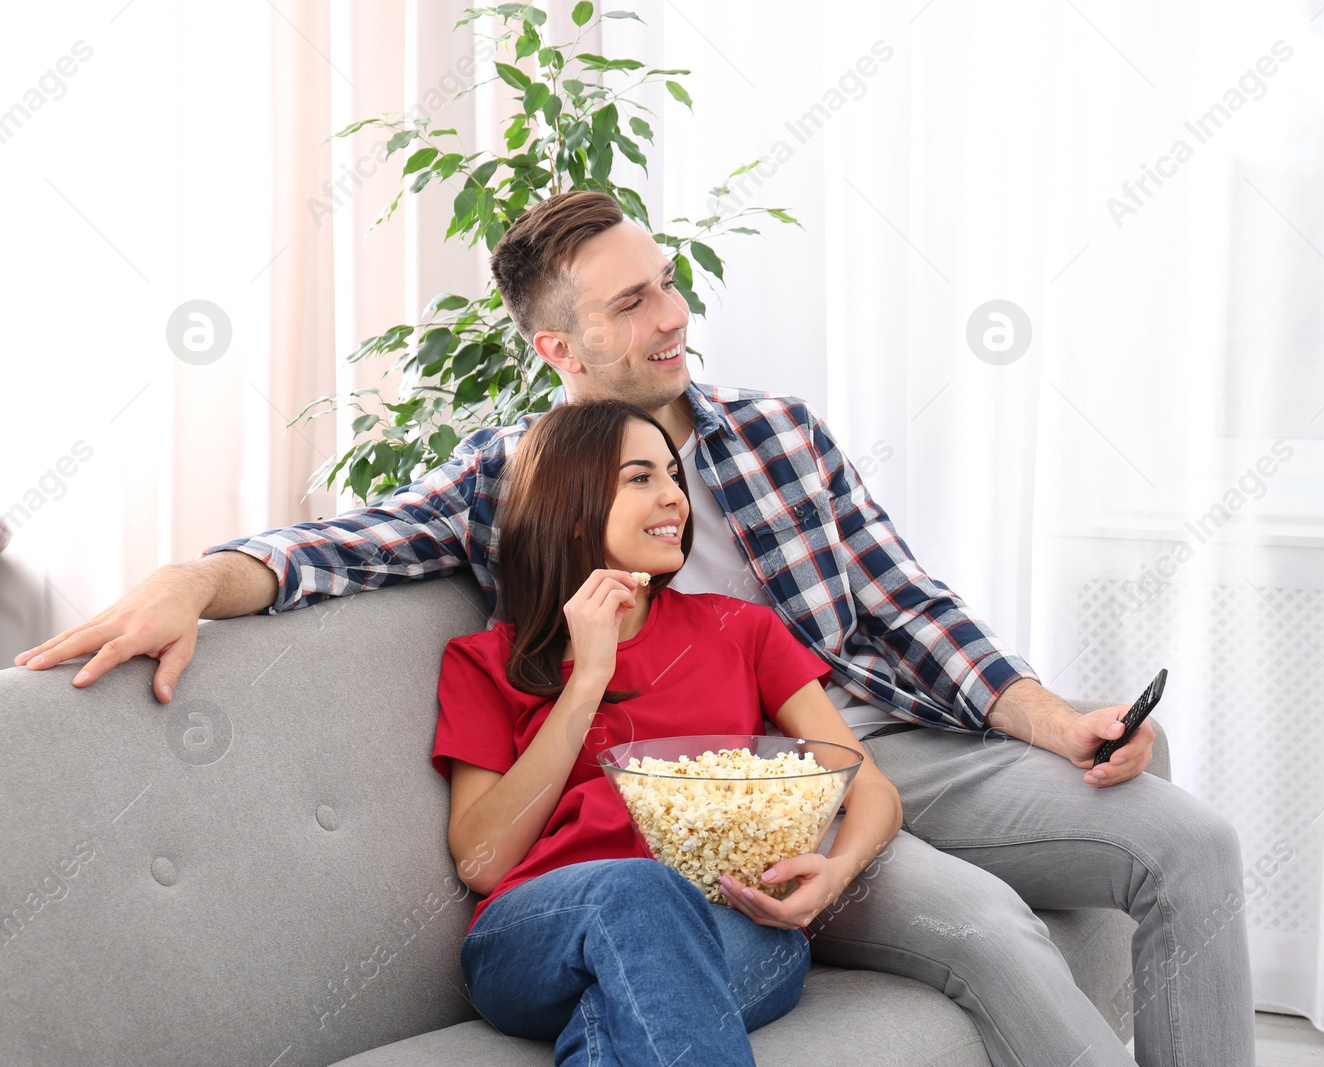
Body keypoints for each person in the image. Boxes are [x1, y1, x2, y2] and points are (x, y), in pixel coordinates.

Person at [14, 190, 1255, 1065]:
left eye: (665, 280)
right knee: (981, 924)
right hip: (744, 799)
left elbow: (907, 605)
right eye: (632, 300)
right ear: (560, 344)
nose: (672, 313)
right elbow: (337, 549)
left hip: (877, 739)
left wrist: (1057, 719)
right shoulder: (513, 478)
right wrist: (190, 576)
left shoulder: (776, 433)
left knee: (1186, 839)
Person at [434, 397, 901, 1065]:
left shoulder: (742, 631)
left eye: (674, 475)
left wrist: (836, 871)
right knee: (640, 890)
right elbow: (483, 862)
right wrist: (586, 678)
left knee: (621, 1016)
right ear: (568, 509)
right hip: (538, 934)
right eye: (640, 477)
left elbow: (871, 788)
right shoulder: (484, 660)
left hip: (731, 925)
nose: (675, 497)